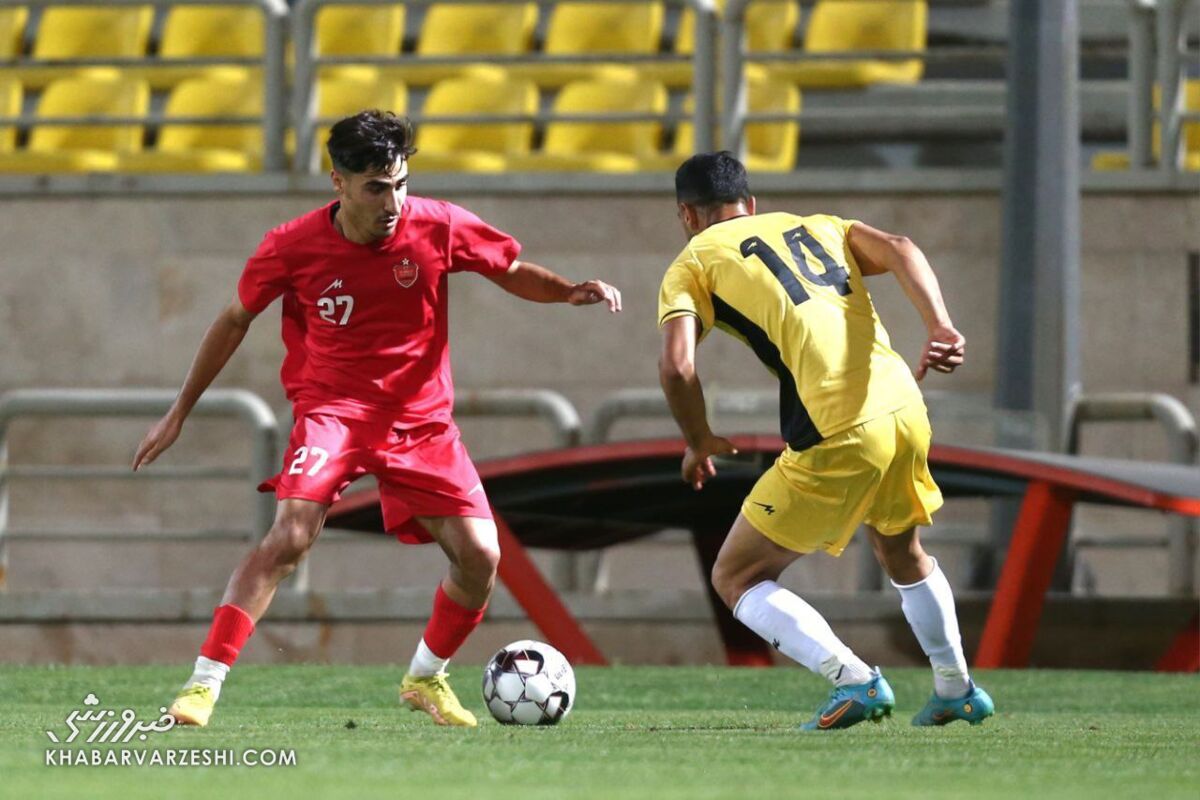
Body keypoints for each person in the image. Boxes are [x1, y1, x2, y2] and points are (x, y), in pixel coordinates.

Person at [133, 110, 622, 729]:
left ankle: (425, 677)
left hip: (422, 423)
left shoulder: (437, 224)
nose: (392, 201)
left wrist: (569, 290)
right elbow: (234, 319)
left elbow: (507, 269)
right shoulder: (291, 245)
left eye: (400, 183)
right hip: (333, 414)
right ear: (337, 181)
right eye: (375, 187)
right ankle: (202, 686)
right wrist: (180, 412)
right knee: (290, 538)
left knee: (480, 555)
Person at [656, 152, 993, 730]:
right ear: (751, 204)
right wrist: (940, 325)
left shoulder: (693, 263)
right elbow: (903, 246)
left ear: (687, 214)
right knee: (901, 551)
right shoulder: (817, 225)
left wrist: (700, 438)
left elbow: (677, 367)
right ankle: (955, 687)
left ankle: (855, 681)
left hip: (838, 425)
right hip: (904, 404)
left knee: (735, 576)